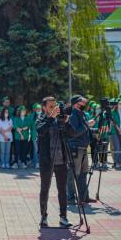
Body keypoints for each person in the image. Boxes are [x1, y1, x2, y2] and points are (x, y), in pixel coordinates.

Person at [36, 96, 72, 228]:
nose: (54, 109)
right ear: (44, 107)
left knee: (62, 189)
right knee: (45, 189)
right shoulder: (41, 119)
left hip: (61, 160)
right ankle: (43, 217)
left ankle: (63, 217)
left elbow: (72, 134)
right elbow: (40, 131)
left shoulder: (60, 119)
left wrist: (66, 122)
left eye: (54, 106)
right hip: (47, 160)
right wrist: (51, 117)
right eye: (51, 106)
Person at [67, 95, 96, 205]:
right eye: (82, 102)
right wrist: (87, 125)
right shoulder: (74, 115)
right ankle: (70, 198)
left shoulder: (81, 114)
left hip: (83, 148)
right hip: (76, 148)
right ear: (76, 104)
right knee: (73, 173)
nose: (84, 104)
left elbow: (84, 129)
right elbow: (74, 133)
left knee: (83, 173)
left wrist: (94, 130)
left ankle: (84, 197)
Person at [110, 99, 121, 169]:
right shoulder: (113, 112)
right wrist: (118, 129)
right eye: (120, 103)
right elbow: (113, 122)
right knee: (117, 147)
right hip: (115, 132)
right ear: (117, 104)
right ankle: (116, 162)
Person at [31, 104, 42, 169]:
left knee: (41, 150)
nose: (38, 110)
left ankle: (41, 162)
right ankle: (36, 163)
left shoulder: (43, 116)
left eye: (39, 109)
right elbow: (31, 127)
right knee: (36, 150)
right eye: (37, 109)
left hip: (42, 136)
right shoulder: (33, 117)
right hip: (35, 136)